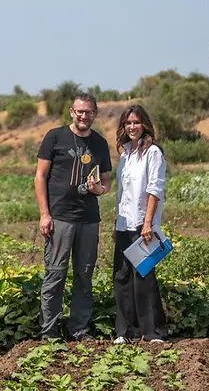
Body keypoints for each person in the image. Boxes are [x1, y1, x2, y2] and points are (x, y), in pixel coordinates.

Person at [34, 93, 113, 341]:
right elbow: (40, 177)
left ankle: (79, 330)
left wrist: (97, 189)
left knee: (84, 275)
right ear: (72, 112)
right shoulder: (55, 137)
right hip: (59, 217)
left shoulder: (100, 143)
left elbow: (106, 183)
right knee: (55, 274)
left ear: (95, 113)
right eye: (80, 111)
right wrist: (44, 214)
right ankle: (49, 332)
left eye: (88, 112)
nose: (83, 116)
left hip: (88, 219)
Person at [113, 104, 168, 344]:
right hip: (124, 222)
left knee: (144, 276)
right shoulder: (125, 154)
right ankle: (126, 331)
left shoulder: (152, 152)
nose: (132, 127)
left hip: (142, 223)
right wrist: (116, 222)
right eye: (128, 123)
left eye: (136, 122)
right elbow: (122, 192)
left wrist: (148, 224)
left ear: (144, 124)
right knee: (122, 277)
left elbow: (154, 189)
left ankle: (153, 332)